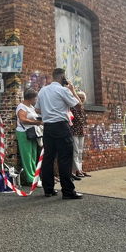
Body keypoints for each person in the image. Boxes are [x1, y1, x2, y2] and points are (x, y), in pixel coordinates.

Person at [36, 68, 82, 199]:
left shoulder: (43, 90)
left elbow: (38, 110)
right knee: (64, 159)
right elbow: (79, 106)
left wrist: (48, 111)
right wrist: (72, 90)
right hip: (61, 126)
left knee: (48, 159)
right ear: (63, 78)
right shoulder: (63, 90)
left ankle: (48, 189)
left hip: (48, 128)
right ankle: (68, 192)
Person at [15, 89, 43, 184]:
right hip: (24, 132)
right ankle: (31, 178)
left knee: (33, 155)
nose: (36, 100)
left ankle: (35, 176)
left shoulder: (31, 106)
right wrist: (37, 122)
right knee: (27, 155)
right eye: (35, 98)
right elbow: (22, 120)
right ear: (31, 98)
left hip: (32, 132)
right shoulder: (21, 107)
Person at [71, 91, 91, 178]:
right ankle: (76, 170)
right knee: (75, 151)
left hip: (81, 131)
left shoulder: (82, 108)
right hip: (74, 131)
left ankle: (80, 169)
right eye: (79, 97)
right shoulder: (73, 107)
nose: (81, 99)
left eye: (82, 98)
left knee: (80, 151)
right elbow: (79, 120)